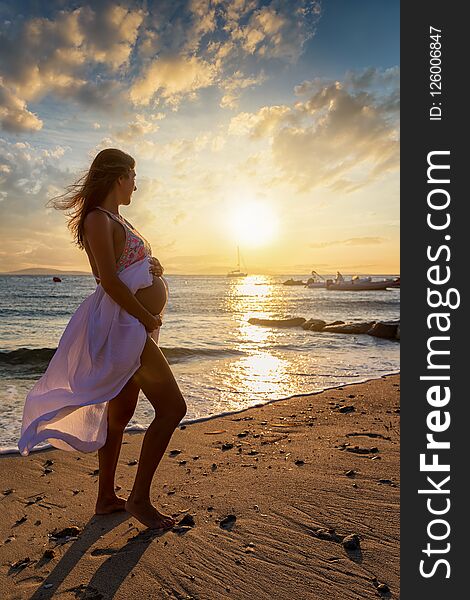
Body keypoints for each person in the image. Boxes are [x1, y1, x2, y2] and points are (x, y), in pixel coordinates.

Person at [18, 148, 187, 530]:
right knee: (173, 407)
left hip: (132, 324)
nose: (136, 185)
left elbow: (127, 269)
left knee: (121, 413)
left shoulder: (117, 219)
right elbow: (107, 280)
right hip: (123, 325)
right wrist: (145, 316)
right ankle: (140, 499)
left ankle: (106, 497)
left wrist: (151, 267)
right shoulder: (97, 218)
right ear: (118, 176)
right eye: (133, 176)